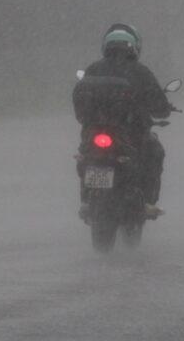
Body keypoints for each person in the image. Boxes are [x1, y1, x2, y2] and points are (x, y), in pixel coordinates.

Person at [73, 23, 172, 220]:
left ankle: (86, 199)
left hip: (94, 132)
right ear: (134, 46)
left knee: (85, 155)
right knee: (155, 152)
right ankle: (147, 202)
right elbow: (159, 106)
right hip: (130, 134)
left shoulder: (93, 68)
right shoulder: (140, 71)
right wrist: (164, 109)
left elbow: (79, 105)